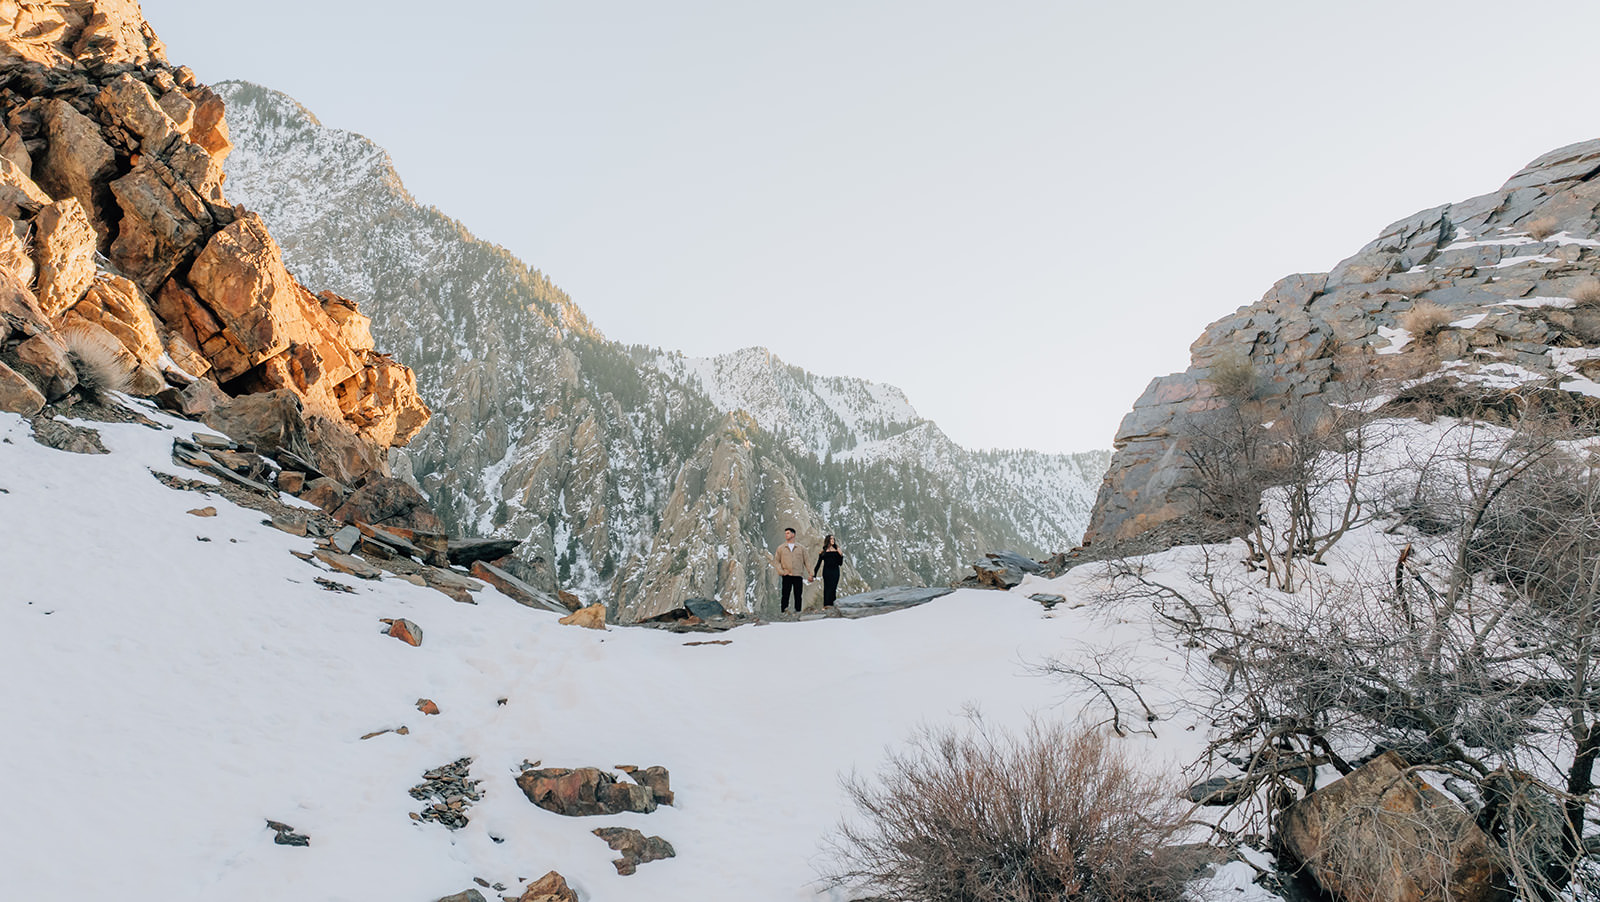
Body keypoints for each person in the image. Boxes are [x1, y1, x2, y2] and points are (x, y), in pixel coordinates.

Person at [773, 527, 811, 613]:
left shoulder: (801, 548)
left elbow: (807, 561)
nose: (786, 535)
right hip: (787, 575)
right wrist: (781, 572)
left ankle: (798, 612)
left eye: (788, 533)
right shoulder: (781, 548)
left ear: (793, 534)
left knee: (798, 595)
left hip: (798, 575)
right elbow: (776, 561)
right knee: (785, 595)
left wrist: (811, 573)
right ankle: (783, 612)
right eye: (785, 533)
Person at [813, 534, 843, 608]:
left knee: (833, 588)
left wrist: (841, 555)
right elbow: (818, 564)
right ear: (828, 540)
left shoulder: (837, 550)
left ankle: (832, 605)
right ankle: (826, 605)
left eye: (833, 539)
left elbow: (840, 563)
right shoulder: (823, 552)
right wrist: (814, 574)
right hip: (827, 572)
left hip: (835, 572)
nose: (833, 540)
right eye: (831, 538)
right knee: (827, 589)